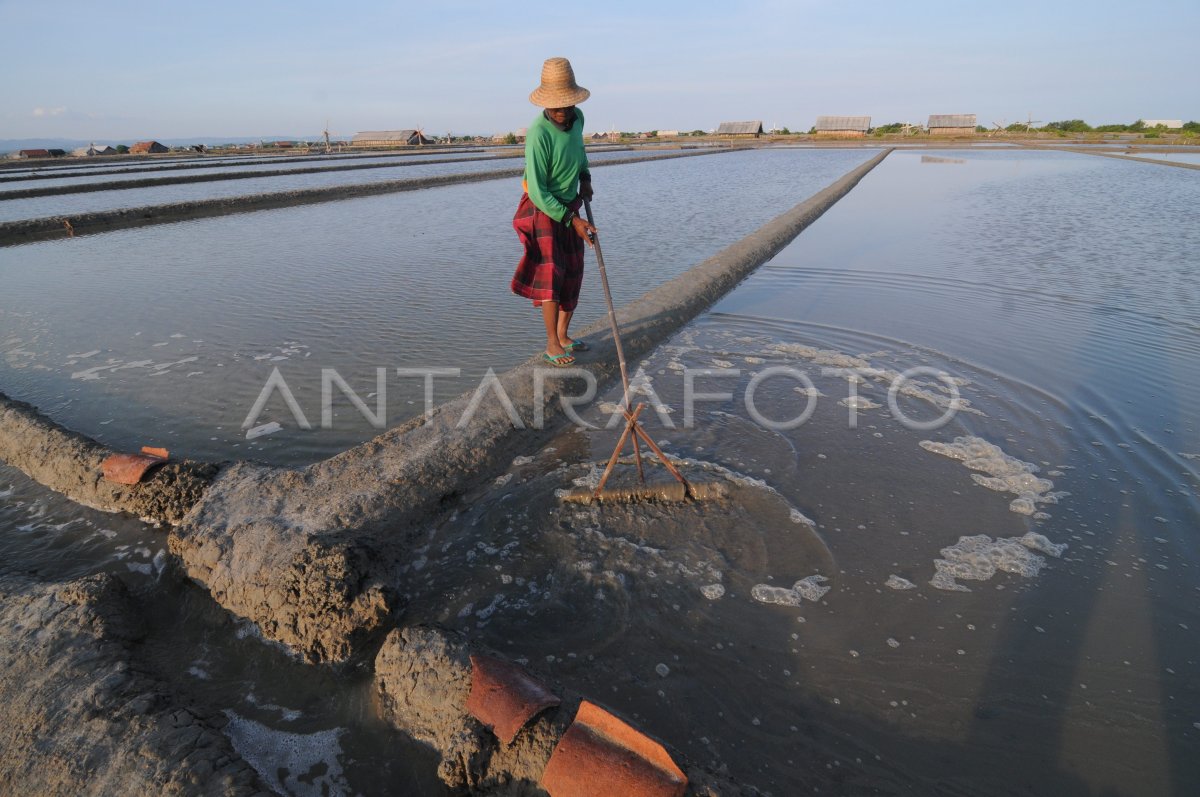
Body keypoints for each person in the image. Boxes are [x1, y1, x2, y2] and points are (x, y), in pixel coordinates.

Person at [510, 57, 598, 367]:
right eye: (555, 106)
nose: (562, 111)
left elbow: (580, 153)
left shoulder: (579, 118)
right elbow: (537, 190)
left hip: (570, 205)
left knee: (573, 271)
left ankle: (563, 335)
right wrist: (572, 220)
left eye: (567, 104)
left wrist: (585, 178)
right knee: (551, 276)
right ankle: (551, 342)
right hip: (543, 208)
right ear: (545, 105)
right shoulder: (539, 134)